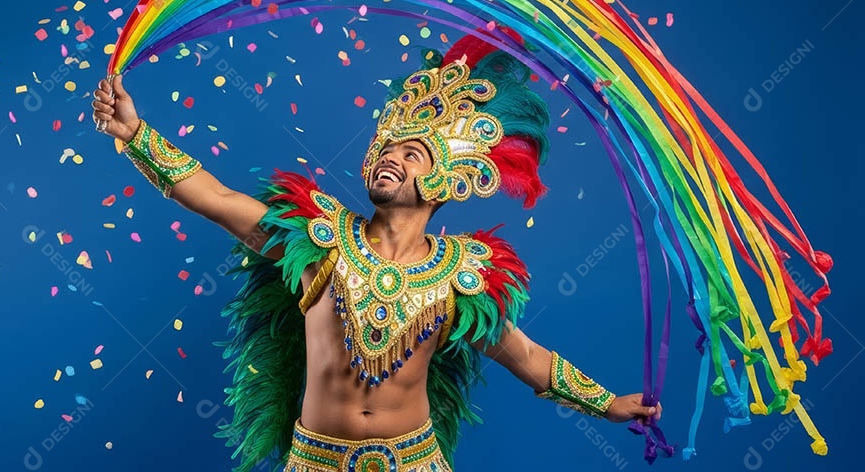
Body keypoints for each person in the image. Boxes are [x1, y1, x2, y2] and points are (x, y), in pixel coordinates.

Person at [92, 35, 662, 472]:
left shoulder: (463, 277)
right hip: (314, 460)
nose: (392, 157)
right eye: (388, 148)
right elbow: (217, 199)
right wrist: (135, 134)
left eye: (412, 153)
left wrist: (609, 404)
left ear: (446, 180)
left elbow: (526, 356)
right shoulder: (317, 242)